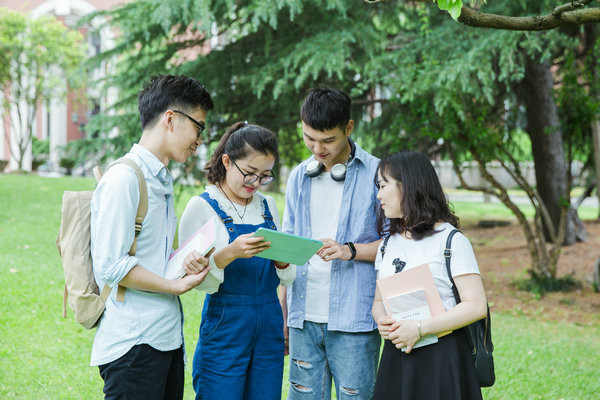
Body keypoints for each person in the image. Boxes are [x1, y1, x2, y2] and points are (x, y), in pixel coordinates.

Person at [90, 74, 215, 400]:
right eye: (198, 127)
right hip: (134, 346)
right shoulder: (124, 178)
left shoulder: (161, 178)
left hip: (165, 339)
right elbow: (112, 266)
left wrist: (183, 264)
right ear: (171, 119)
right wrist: (174, 285)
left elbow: (151, 257)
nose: (200, 139)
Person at [178, 121, 296, 400]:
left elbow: (286, 277)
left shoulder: (267, 206)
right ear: (227, 161)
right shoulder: (202, 207)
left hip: (268, 323)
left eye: (265, 176)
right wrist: (230, 252)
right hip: (226, 323)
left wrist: (282, 262)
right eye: (250, 173)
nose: (255, 183)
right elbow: (191, 280)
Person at [281, 87, 381, 400]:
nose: (317, 149)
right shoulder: (299, 176)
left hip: (355, 319)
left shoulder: (379, 174)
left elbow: (399, 245)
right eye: (309, 138)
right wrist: (282, 311)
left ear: (349, 128)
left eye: (328, 140)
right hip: (303, 318)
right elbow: (286, 248)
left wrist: (350, 251)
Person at [371, 150, 488, 400]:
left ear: (408, 186)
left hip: (442, 359)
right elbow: (379, 302)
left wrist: (421, 328)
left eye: (383, 186)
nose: (379, 195)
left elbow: (476, 306)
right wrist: (382, 320)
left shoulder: (451, 241)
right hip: (398, 356)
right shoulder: (387, 244)